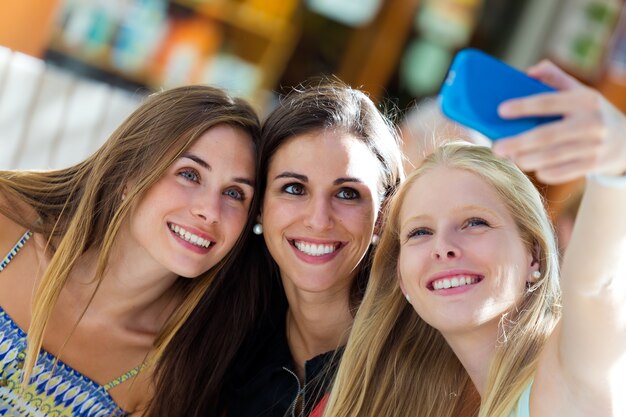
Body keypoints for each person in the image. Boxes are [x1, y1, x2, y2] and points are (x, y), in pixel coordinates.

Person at [321, 62, 626, 417]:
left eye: (475, 222)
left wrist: (617, 157)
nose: (444, 246)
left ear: (534, 256)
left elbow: (596, 288)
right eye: (420, 232)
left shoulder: (565, 378)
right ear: (402, 280)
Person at [0, 85, 260, 416]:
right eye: (190, 174)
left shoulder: (174, 370)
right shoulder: (7, 222)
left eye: (235, 194)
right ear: (130, 175)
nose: (211, 211)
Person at [148, 81, 405, 417]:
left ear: (382, 215)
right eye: (294, 188)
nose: (318, 219)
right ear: (258, 207)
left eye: (347, 194)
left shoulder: (415, 353)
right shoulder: (223, 342)